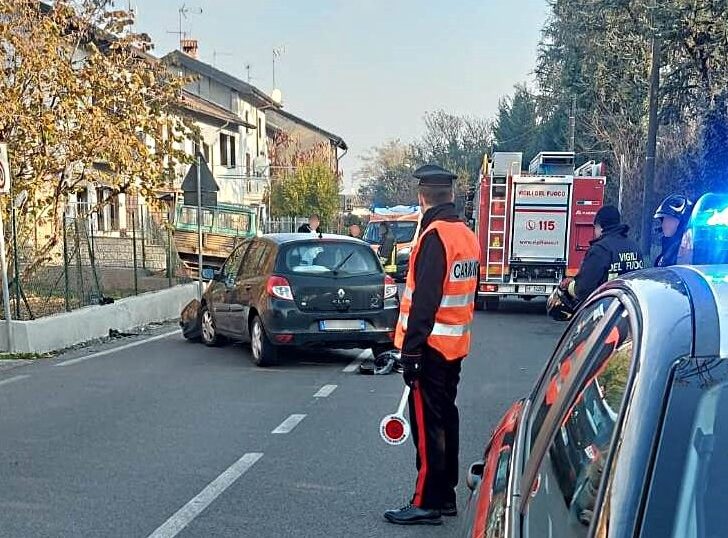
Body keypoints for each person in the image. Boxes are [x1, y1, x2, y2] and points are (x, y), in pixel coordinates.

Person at [384, 164, 480, 526]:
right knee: (446, 419)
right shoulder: (467, 235)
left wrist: (409, 353)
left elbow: (424, 300)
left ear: (423, 198)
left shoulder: (435, 236)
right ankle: (446, 495)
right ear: (451, 196)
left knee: (426, 427)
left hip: (429, 348)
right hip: (454, 346)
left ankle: (426, 500)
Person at [548, 205, 643, 320]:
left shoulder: (600, 250)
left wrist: (569, 286)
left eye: (595, 227)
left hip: (604, 313)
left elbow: (583, 289)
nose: (595, 232)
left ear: (601, 226)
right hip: (630, 313)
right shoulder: (634, 247)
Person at [653, 194, 693, 267]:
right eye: (664, 220)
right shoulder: (663, 257)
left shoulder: (688, 255)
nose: (665, 224)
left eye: (670, 220)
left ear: (683, 223)